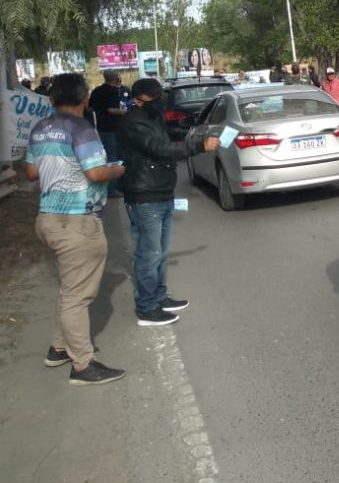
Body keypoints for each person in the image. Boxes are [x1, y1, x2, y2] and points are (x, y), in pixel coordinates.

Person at [24, 73, 126, 385]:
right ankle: (82, 365)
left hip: (48, 220)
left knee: (70, 289)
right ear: (84, 99)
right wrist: (118, 169)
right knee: (78, 297)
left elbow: (30, 172)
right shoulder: (82, 129)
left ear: (52, 99)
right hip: (77, 222)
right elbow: (95, 173)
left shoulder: (39, 128)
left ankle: (58, 348)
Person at [117, 78, 219, 327]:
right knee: (148, 254)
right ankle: (147, 308)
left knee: (159, 253)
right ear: (138, 101)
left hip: (161, 190)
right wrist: (198, 146)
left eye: (161, 96)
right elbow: (161, 148)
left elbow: (168, 139)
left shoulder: (152, 119)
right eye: (155, 98)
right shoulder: (133, 124)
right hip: (144, 196)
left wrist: (197, 137)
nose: (160, 102)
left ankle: (158, 297)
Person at [88, 70, 128, 198]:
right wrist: (124, 112)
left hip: (99, 128)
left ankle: (102, 187)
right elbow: (111, 109)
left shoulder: (96, 91)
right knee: (113, 158)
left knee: (101, 159)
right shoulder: (112, 91)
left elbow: (90, 108)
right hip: (111, 128)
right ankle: (112, 190)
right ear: (116, 78)